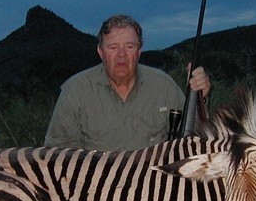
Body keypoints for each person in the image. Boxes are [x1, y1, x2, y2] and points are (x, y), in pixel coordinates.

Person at [44, 14, 211, 151]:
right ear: (100, 52)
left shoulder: (164, 86)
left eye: (129, 47)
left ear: (139, 52)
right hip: (95, 188)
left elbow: (196, 137)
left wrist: (200, 99)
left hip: (152, 186)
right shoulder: (75, 91)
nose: (122, 55)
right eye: (113, 47)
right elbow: (56, 154)